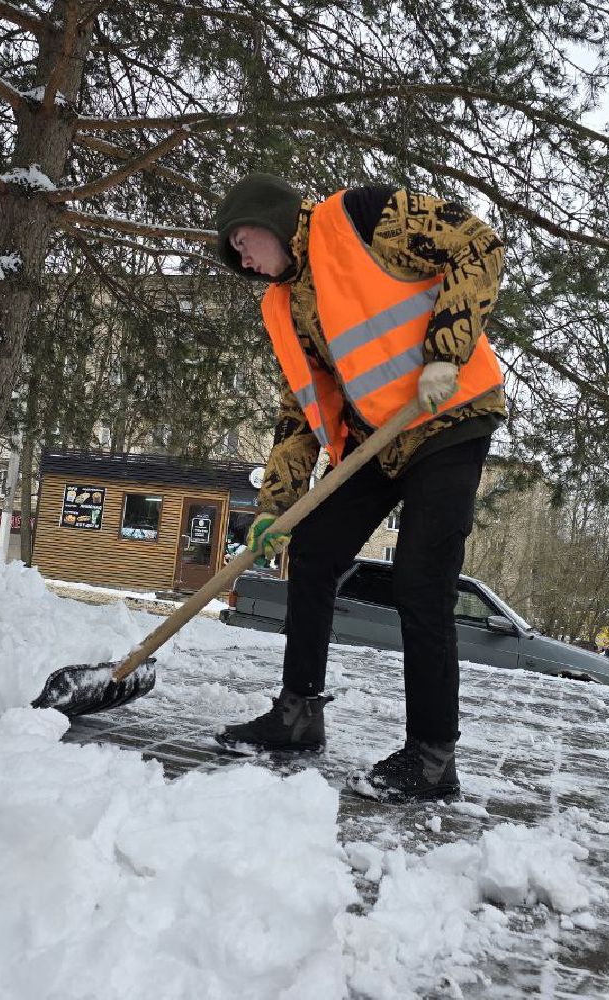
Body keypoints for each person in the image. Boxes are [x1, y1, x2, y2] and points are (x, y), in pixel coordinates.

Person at [210, 173, 507, 802]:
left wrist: (446, 352)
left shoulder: (363, 216)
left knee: (421, 580)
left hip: (450, 417)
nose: (240, 256)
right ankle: (298, 715)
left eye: (242, 239)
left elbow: (476, 242)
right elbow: (303, 413)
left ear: (272, 216)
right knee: (313, 552)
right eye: (233, 252)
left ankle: (431, 757)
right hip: (380, 438)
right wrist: (277, 509)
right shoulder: (284, 305)